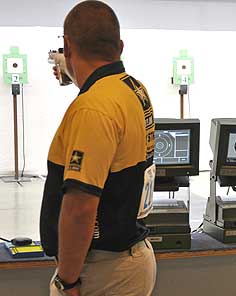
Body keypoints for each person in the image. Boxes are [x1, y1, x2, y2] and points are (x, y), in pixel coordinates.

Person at [39, 1, 156, 295]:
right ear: (120, 46)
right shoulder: (131, 87)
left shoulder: (93, 107)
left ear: (67, 45)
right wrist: (75, 72)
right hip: (128, 258)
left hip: (100, 271)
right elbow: (101, 85)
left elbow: (80, 207)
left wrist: (68, 280)